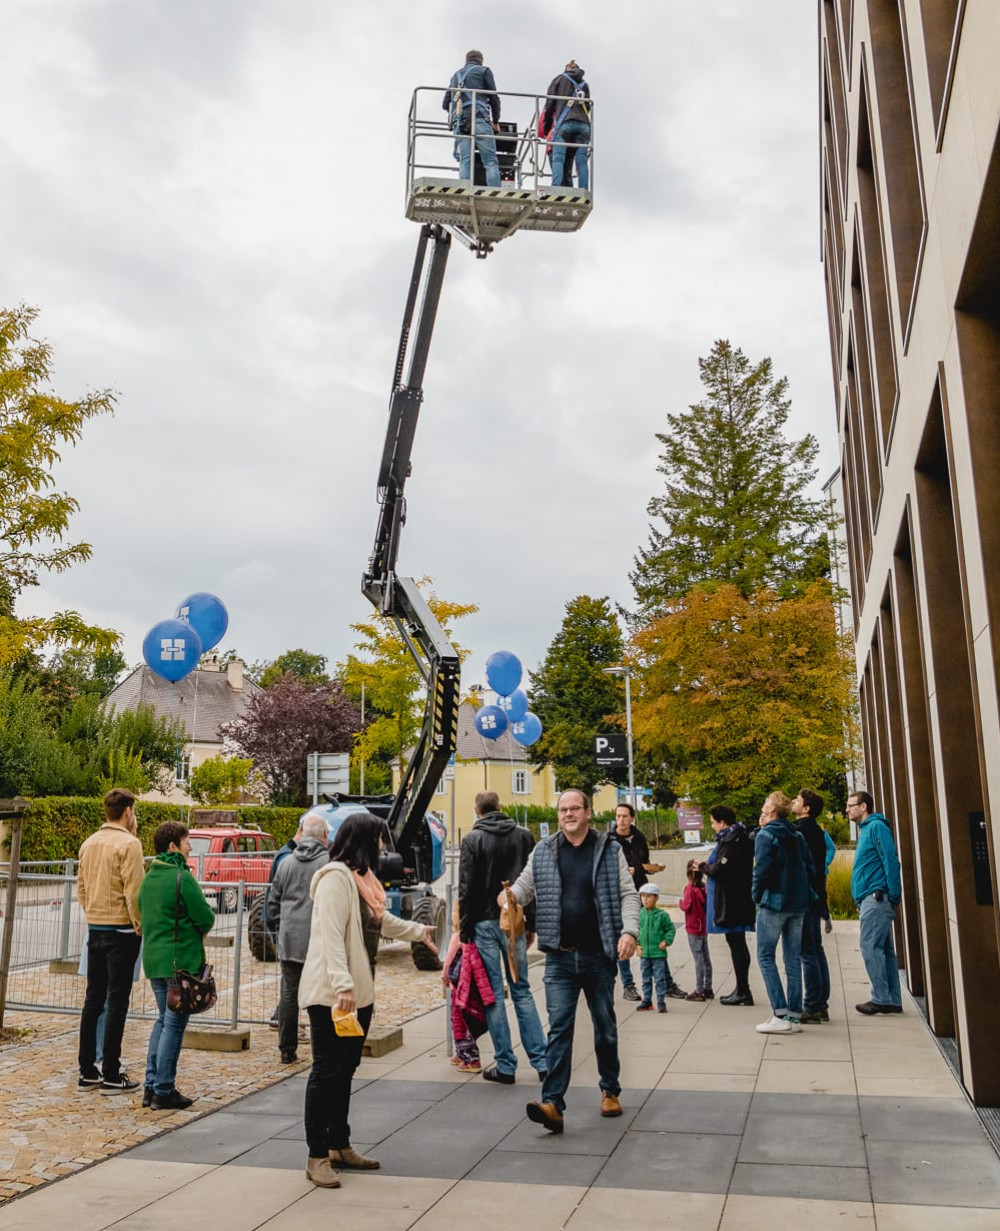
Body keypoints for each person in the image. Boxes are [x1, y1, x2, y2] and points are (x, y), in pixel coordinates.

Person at [298, 812, 438, 1188]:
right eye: (378, 839)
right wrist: (343, 985)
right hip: (333, 994)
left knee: (345, 1070)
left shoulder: (363, 880)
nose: (382, 847)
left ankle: (339, 1144)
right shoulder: (334, 881)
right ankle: (317, 1156)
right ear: (362, 841)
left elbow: (383, 920)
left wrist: (418, 931)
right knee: (326, 1072)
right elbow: (330, 936)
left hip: (356, 992)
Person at [505, 789, 639, 1135]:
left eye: (574, 808)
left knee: (605, 1026)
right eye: (563, 809)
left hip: (598, 954)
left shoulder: (609, 850)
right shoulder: (544, 850)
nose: (568, 814)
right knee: (560, 1029)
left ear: (588, 812)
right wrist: (509, 900)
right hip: (559, 957)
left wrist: (629, 932)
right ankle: (552, 1103)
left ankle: (610, 1089)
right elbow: (524, 887)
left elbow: (628, 894)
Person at [458, 790, 547, 1084]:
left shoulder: (473, 839)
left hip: (483, 922)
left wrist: (465, 929)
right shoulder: (522, 836)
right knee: (521, 990)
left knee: (493, 994)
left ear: (477, 811)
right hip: (513, 921)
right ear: (500, 807)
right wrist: (531, 923)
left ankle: (506, 1064)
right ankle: (542, 1060)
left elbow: (467, 888)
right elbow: (532, 883)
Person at [138, 821, 215, 1110]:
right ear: (173, 847)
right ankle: (163, 1089)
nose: (190, 847)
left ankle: (150, 1086)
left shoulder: (149, 878)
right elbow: (205, 916)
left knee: (162, 1020)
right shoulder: (181, 877)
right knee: (174, 1023)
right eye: (186, 842)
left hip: (155, 960)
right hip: (179, 962)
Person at [77, 787, 145, 1094]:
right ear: (128, 811)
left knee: (93, 1000)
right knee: (117, 1001)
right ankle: (112, 1073)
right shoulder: (129, 844)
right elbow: (133, 891)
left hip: (96, 926)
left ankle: (87, 1069)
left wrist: (93, 913)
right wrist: (139, 926)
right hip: (121, 930)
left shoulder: (89, 843)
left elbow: (81, 888)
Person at [267, 814, 329, 1064]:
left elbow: (272, 904)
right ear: (324, 836)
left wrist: (282, 927)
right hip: (319, 938)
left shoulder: (287, 863)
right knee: (321, 996)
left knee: (290, 994)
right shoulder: (329, 863)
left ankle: (287, 1049)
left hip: (290, 937)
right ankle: (322, 1048)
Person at [752, 791, 814, 1034]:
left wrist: (756, 896)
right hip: (797, 903)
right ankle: (795, 1016)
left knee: (766, 956)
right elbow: (809, 867)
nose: (764, 807)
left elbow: (761, 871)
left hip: (774, 903)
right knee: (792, 960)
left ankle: (779, 1013)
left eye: (766, 804)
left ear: (772, 810)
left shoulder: (766, 835)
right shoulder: (796, 835)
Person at [848, 791, 903, 1015]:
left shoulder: (876, 827)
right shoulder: (866, 830)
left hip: (877, 896)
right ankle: (892, 1000)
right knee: (884, 949)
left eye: (851, 805)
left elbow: (890, 859)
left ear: (864, 807)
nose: (847, 810)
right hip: (871, 897)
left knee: (870, 946)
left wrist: (894, 893)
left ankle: (880, 998)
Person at [701, 805, 756, 1006]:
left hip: (732, 901)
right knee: (736, 942)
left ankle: (743, 990)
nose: (712, 825)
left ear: (722, 822)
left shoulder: (733, 841)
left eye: (713, 821)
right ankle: (742, 989)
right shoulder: (737, 838)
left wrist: (702, 867)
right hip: (735, 898)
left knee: (736, 943)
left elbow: (721, 869)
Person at [791, 788, 832, 1023]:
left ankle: (813, 1004)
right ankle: (821, 1003)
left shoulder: (800, 832)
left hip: (805, 898)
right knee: (816, 949)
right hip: (816, 896)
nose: (794, 802)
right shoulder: (816, 831)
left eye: (797, 800)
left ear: (806, 808)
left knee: (807, 951)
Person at [442, 901, 492, 1073]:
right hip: (464, 984)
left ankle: (471, 1059)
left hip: (459, 985)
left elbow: (448, 959)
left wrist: (444, 974)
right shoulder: (474, 935)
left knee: (459, 1020)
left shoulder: (459, 935)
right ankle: (461, 1054)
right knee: (459, 1020)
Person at [608, 802, 650, 1001]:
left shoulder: (639, 837)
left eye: (625, 816)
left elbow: (645, 863)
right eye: (618, 816)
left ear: (632, 818)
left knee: (647, 935)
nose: (621, 820)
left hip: (640, 890)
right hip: (619, 894)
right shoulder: (610, 840)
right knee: (623, 937)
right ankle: (628, 984)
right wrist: (623, 873)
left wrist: (640, 870)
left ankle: (660, 979)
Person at [442, 49, 501, 188]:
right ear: (481, 60)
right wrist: (496, 121)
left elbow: (445, 104)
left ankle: (464, 190)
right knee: (490, 161)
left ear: (466, 60)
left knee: (465, 161)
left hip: (461, 123)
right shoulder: (484, 71)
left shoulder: (456, 76)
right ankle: (495, 193)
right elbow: (494, 98)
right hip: (480, 119)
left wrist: (455, 115)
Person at [542, 59, 591, 190]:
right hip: (584, 126)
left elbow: (549, 105)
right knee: (581, 161)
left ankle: (556, 188)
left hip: (565, 123)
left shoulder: (558, 80)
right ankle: (583, 189)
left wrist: (547, 128)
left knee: (558, 159)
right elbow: (587, 107)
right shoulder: (584, 84)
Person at [635, 883, 674, 1012]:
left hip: (658, 954)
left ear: (656, 898)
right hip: (645, 953)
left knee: (660, 978)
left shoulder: (662, 915)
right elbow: (635, 931)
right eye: (643, 896)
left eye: (649, 896)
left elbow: (670, 930)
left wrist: (666, 941)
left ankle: (661, 1001)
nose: (645, 899)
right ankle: (647, 1000)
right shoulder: (640, 914)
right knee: (645, 978)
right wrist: (637, 946)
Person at [680, 859, 713, 1001]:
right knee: (706, 958)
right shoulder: (704, 888)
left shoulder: (689, 889)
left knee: (697, 959)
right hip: (703, 926)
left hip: (693, 927)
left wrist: (680, 903)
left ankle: (699, 990)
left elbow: (686, 906)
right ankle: (708, 987)